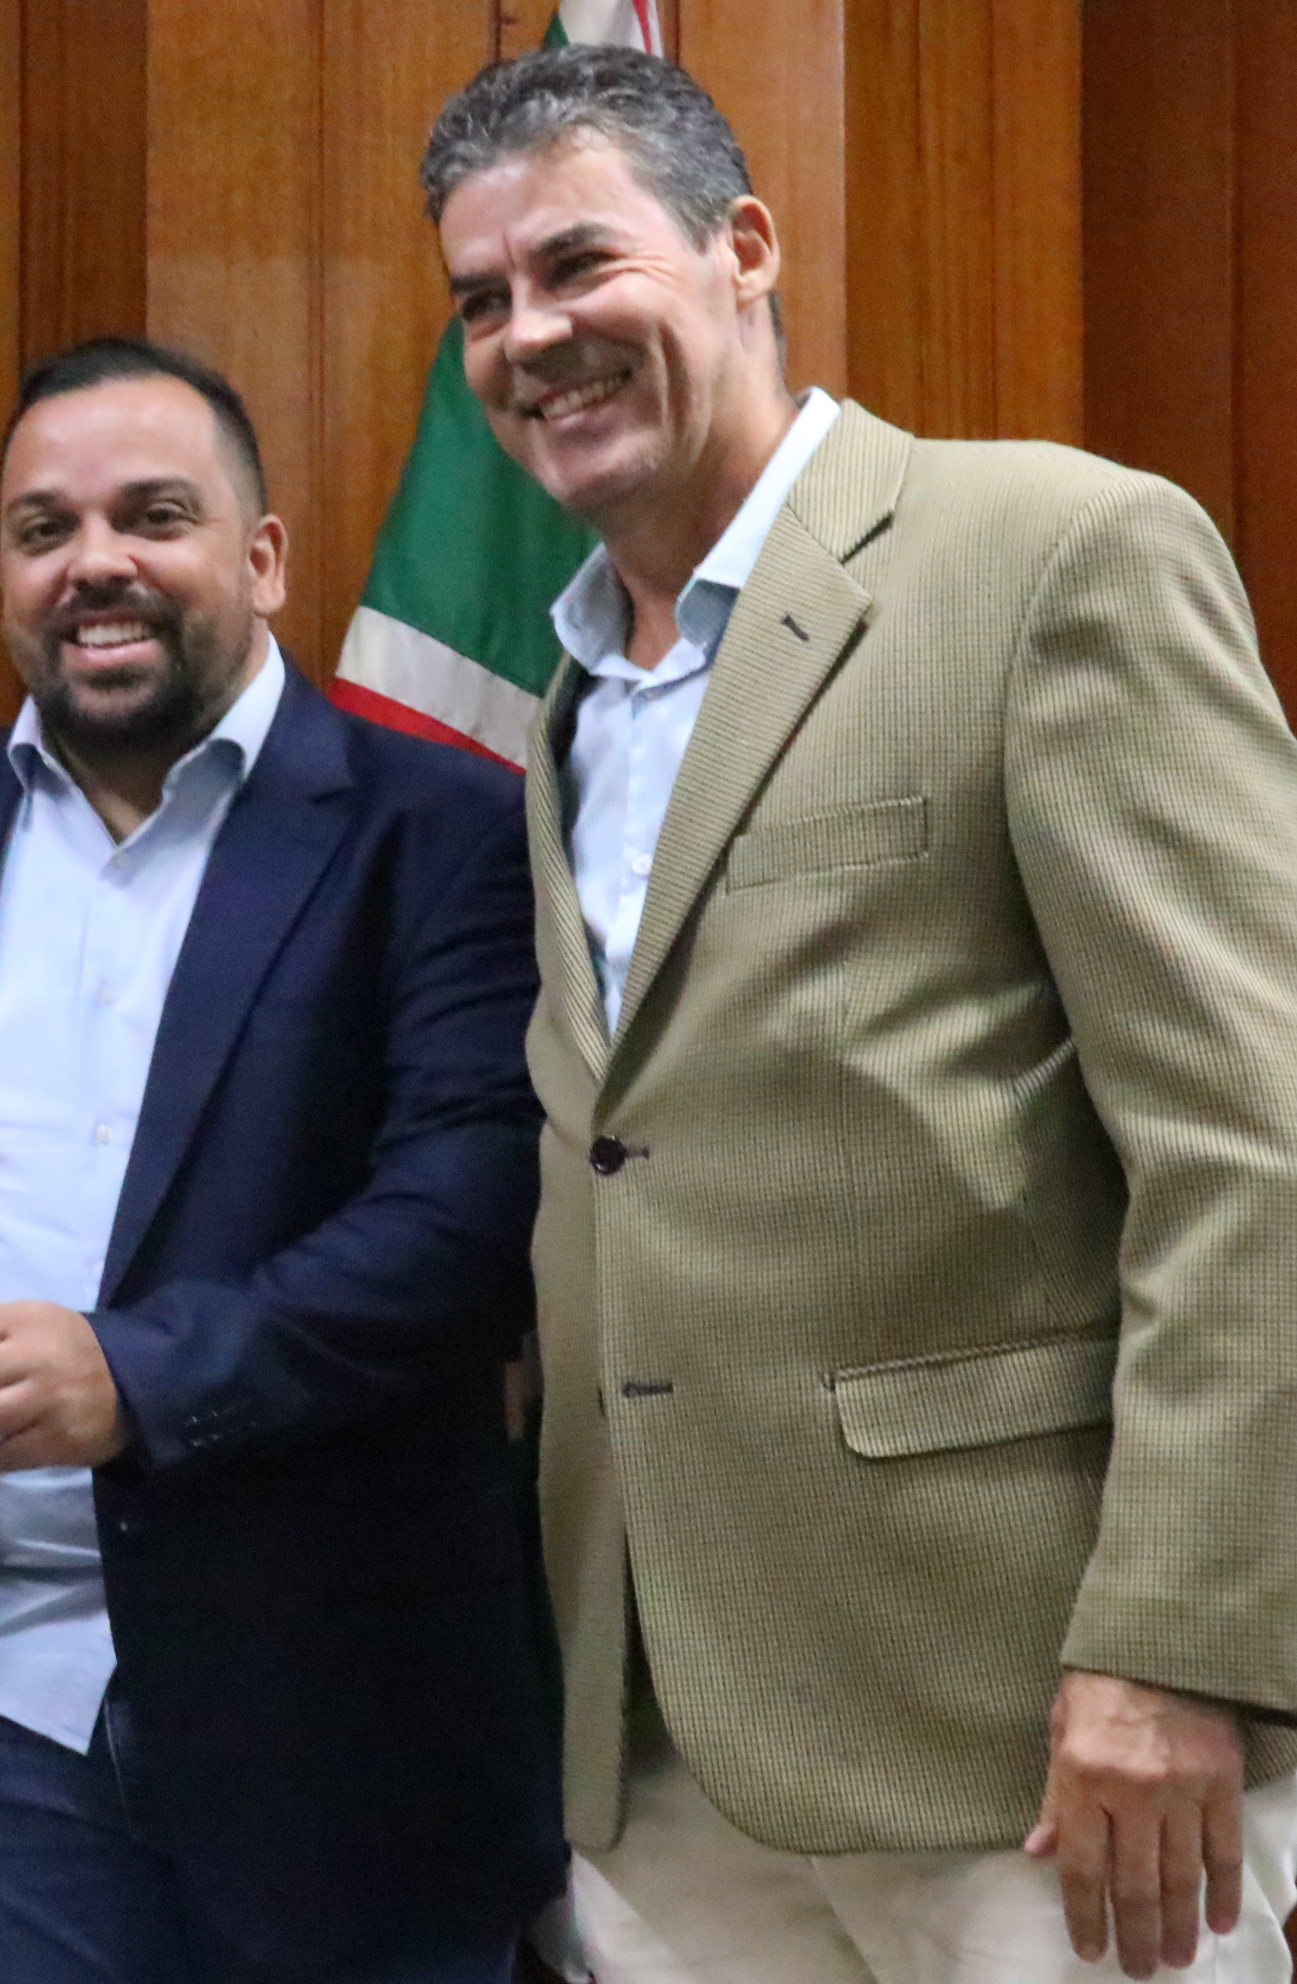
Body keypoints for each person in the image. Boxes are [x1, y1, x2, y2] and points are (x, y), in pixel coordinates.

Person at [425, 42, 1297, 1984]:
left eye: (577, 263)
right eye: (481, 300)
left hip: (1032, 1734)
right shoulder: (574, 704)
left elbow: (1259, 1139)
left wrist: (1178, 1645)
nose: (529, 336)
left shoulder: (1048, 554)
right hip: (664, 1745)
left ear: (744, 246)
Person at [0, 335, 564, 1984]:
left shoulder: (443, 830)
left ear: (261, 558)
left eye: (152, 515)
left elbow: (472, 1214)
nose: (94, 563)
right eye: (42, 529)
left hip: (343, 1726)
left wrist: (137, 1375)